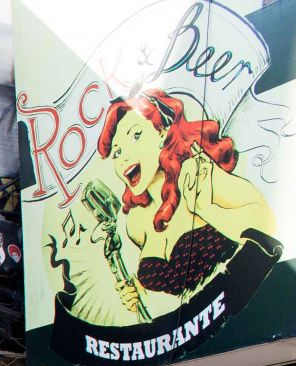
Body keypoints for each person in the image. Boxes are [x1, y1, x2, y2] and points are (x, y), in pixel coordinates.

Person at [97, 90, 276, 315]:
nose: (123, 157)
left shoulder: (196, 173)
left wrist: (207, 210)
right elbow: (174, 301)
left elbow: (264, 220)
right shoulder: (136, 223)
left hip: (248, 315)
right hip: (193, 342)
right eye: (116, 152)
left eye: (135, 136)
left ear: (161, 133)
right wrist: (139, 294)